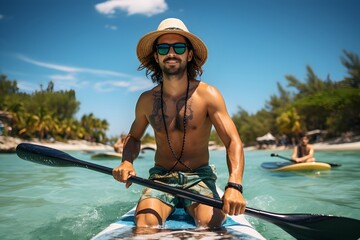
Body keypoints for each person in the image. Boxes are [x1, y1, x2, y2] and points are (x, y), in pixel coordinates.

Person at [112, 18, 245, 229]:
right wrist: (127, 161)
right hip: (161, 178)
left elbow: (233, 141)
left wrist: (234, 185)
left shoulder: (208, 95)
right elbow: (134, 137)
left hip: (199, 177)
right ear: (156, 56)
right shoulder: (146, 100)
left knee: (211, 225)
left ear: (189, 54)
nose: (171, 53)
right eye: (163, 48)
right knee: (144, 225)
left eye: (179, 47)